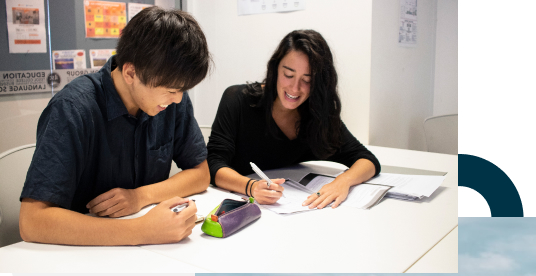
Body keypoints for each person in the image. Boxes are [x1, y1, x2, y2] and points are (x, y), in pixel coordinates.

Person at [19, 7, 212, 245]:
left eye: (183, 90)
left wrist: (140, 196)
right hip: (80, 252)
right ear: (130, 72)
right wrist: (141, 230)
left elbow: (201, 175)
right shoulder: (73, 109)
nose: (178, 99)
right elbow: (32, 222)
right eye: (172, 90)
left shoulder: (169, 101)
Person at [207, 29, 380, 209]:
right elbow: (213, 165)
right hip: (236, 204)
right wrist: (250, 187)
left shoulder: (317, 115)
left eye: (307, 80)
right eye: (288, 75)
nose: (295, 88)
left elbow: (366, 159)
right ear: (274, 69)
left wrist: (342, 182)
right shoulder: (238, 100)